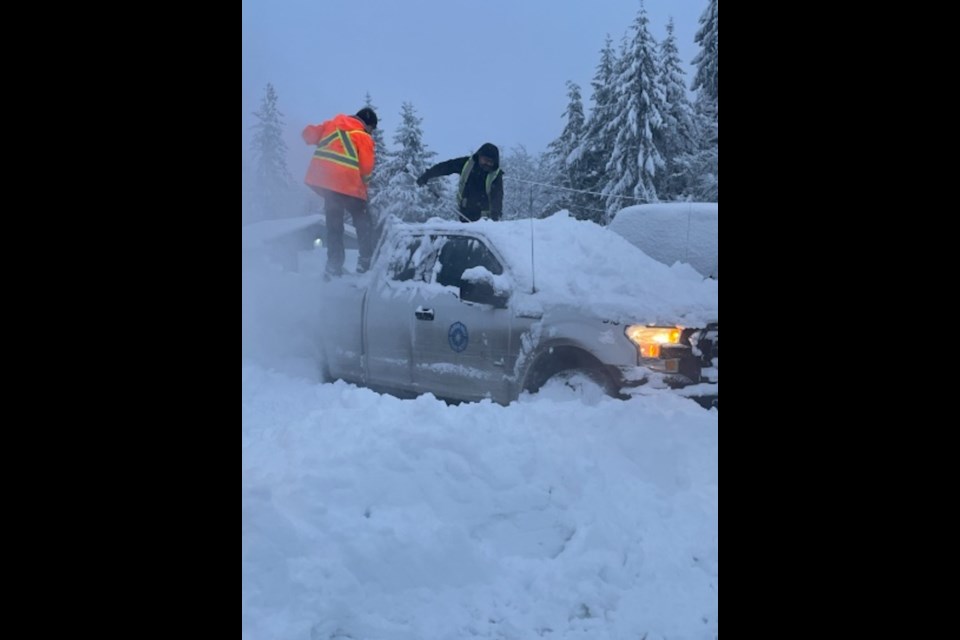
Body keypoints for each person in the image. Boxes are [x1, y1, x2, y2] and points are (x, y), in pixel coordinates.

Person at [302, 107, 378, 277]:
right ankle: (365, 263)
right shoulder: (363, 136)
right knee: (363, 222)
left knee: (334, 225)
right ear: (369, 124)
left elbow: (308, 135)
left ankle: (333, 265)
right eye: (372, 129)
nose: (371, 132)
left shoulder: (332, 125)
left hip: (328, 186)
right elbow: (366, 168)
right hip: (349, 187)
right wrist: (364, 190)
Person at [416, 142, 503, 222]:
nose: (487, 163)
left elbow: (497, 197)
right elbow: (446, 167)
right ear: (479, 156)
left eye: (490, 162)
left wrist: (495, 217)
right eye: (485, 160)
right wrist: (427, 176)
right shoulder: (466, 164)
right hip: (464, 214)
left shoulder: (495, 175)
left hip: (484, 220)